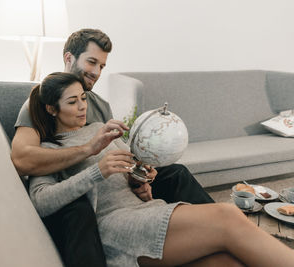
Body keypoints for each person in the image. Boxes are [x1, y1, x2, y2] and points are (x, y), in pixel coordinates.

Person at [28, 71, 294, 267]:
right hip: (116, 225)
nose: (82, 106)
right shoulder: (50, 149)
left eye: (83, 98)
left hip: (145, 209)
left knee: (225, 262)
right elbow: (41, 200)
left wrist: (140, 177)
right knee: (227, 216)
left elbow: (130, 169)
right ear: (52, 109)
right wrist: (97, 170)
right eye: (72, 102)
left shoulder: (99, 128)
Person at [11, 29, 213, 267]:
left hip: (112, 187)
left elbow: (120, 159)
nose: (96, 72)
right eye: (91, 62)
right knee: (80, 209)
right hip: (79, 190)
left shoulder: (100, 106)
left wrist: (139, 177)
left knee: (176, 173)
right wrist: (89, 149)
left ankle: (208, 231)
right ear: (69, 58)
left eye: (102, 66)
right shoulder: (40, 102)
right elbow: (23, 159)